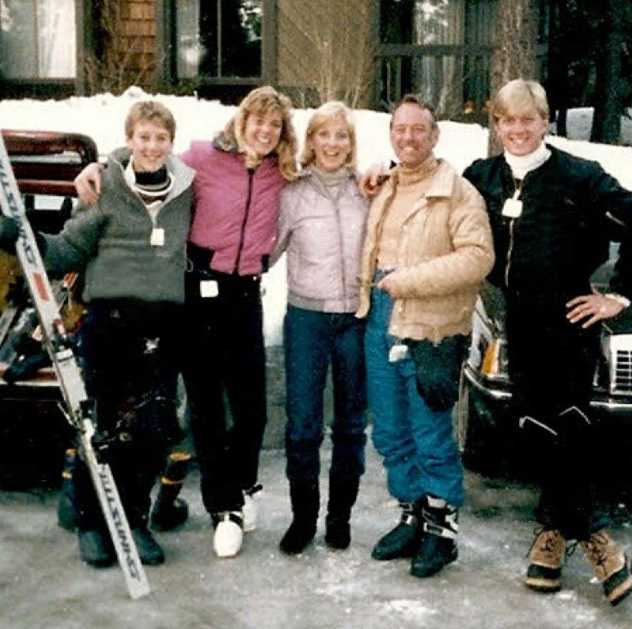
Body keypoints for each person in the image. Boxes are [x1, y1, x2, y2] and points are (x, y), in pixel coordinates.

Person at [462, 79, 632, 606]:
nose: (518, 129)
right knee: (535, 430)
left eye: (528, 119)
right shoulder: (482, 178)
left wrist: (618, 295)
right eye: (508, 120)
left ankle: (586, 539)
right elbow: (436, 204)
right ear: (496, 122)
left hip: (571, 323)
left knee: (570, 430)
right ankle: (561, 531)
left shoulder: (579, 177)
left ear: (546, 120)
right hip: (520, 324)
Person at [74, 86, 299, 558]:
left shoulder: (285, 169)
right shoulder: (204, 157)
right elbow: (152, 154)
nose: (264, 130)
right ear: (241, 121)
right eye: (256, 120)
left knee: (251, 404)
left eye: (274, 124)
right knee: (204, 406)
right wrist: (101, 165)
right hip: (196, 288)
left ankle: (244, 484)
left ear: (282, 133)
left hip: (243, 293)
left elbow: (334, 163)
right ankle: (223, 507)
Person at [1, 100, 195, 567]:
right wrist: (20, 237)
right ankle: (91, 522)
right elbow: (68, 248)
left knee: (152, 429)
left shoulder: (187, 188)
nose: (152, 146)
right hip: (110, 320)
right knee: (99, 427)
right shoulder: (105, 186)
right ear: (129, 139)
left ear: (171, 142)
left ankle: (134, 520)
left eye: (161, 138)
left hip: (163, 323)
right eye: (143, 137)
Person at [356, 94, 494, 578]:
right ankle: (411, 515)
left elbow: (479, 257)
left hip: (431, 325)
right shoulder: (385, 184)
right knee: (391, 430)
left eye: (419, 129)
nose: (409, 137)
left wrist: (410, 281)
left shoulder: (457, 191)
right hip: (380, 317)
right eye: (401, 129)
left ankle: (442, 531)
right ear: (391, 135)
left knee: (430, 431)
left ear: (435, 136)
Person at [270, 101, 368, 554]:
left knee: (350, 426)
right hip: (307, 318)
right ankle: (303, 519)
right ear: (310, 141)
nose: (333, 144)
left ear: (351, 144)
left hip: (355, 319)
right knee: (303, 425)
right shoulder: (291, 192)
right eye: (324, 135)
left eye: (341, 136)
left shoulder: (368, 190)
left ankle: (339, 519)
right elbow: (264, 250)